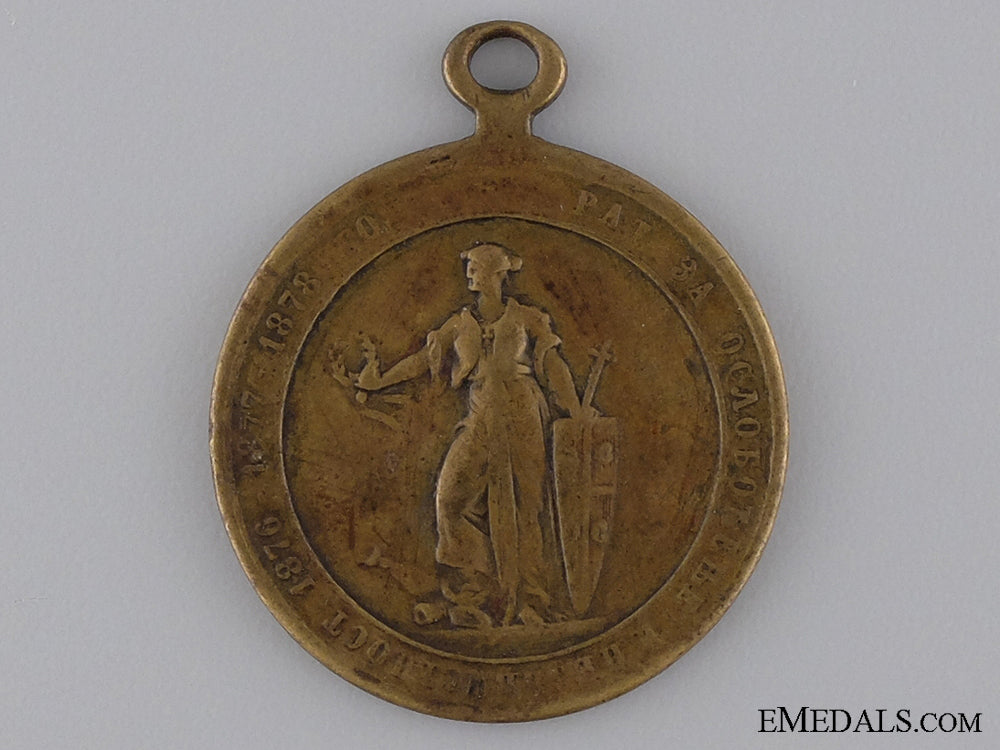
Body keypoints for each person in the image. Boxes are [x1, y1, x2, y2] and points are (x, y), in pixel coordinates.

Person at [352, 242, 591, 628]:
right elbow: (423, 360)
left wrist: (576, 409)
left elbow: (553, 365)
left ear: (499, 274)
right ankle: (474, 591)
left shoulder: (528, 318)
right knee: (449, 499)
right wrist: (380, 382)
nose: (469, 274)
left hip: (522, 415)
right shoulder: (459, 323)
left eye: (477, 268)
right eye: (469, 268)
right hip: (479, 417)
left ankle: (531, 600)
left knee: (527, 507)